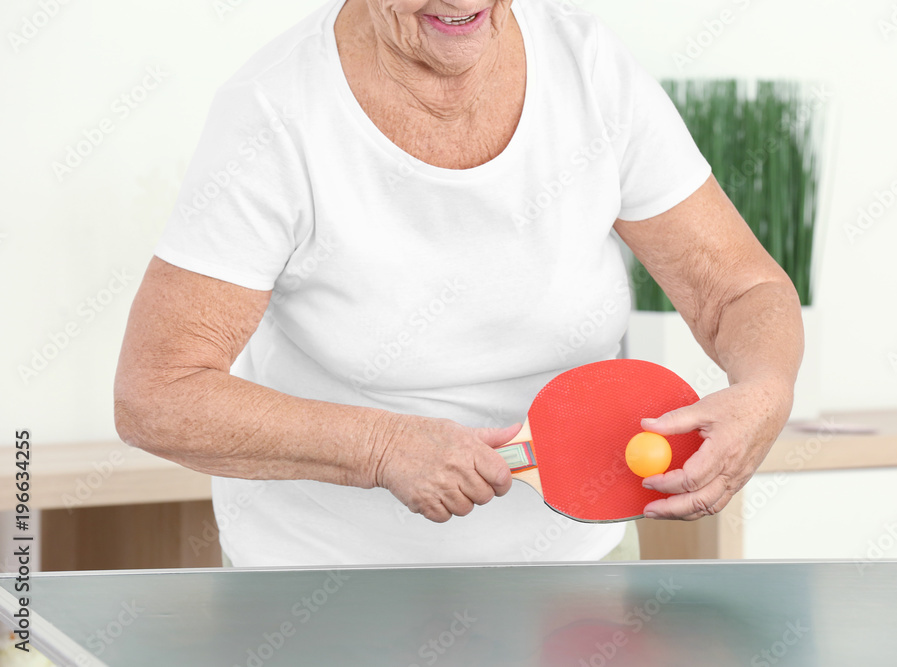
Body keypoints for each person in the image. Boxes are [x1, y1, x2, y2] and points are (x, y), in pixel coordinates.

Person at [114, 0, 803, 567]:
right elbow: (156, 394)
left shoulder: (589, 68)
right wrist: (380, 448)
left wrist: (766, 390)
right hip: (323, 586)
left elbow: (739, 289)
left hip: (577, 579)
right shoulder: (273, 114)